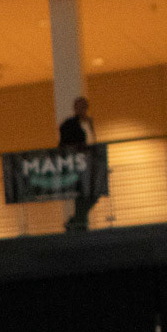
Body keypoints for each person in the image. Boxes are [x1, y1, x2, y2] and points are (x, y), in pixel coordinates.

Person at [58, 96, 98, 232]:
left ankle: (75, 221)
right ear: (75, 108)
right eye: (79, 107)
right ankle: (80, 224)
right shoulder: (69, 124)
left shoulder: (90, 122)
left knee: (95, 192)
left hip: (92, 162)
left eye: (84, 106)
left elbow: (92, 140)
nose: (82, 109)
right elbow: (63, 144)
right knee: (81, 194)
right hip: (78, 163)